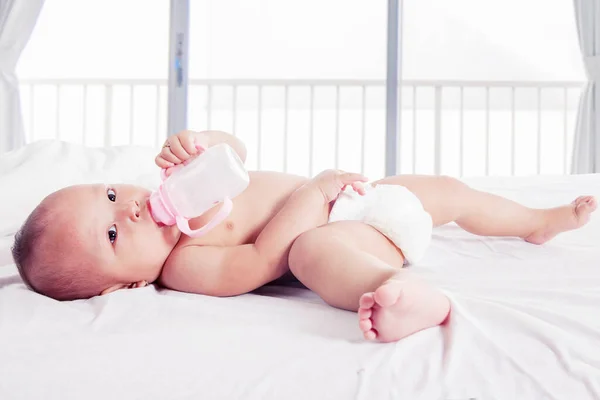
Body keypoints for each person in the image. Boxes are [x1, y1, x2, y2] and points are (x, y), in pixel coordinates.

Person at [12, 130, 597, 343]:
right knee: (310, 252)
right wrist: (314, 197)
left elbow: (236, 156)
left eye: (110, 195)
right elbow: (267, 259)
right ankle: (396, 291)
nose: (132, 211)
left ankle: (535, 221)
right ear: (130, 282)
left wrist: (200, 145)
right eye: (113, 234)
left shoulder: (173, 187)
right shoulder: (184, 264)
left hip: (365, 197)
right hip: (348, 230)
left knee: (448, 191)